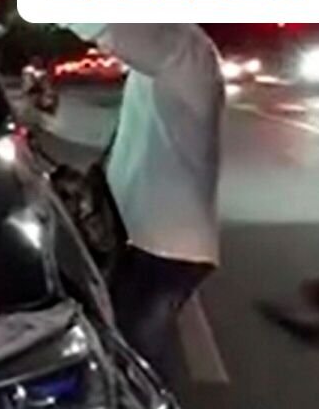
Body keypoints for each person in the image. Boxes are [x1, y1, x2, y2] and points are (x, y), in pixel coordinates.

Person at [59, 23, 225, 377]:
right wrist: (47, 113)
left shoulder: (181, 44)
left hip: (165, 247)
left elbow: (105, 26)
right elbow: (110, 128)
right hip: (154, 238)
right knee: (123, 349)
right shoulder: (174, 56)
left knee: (132, 364)